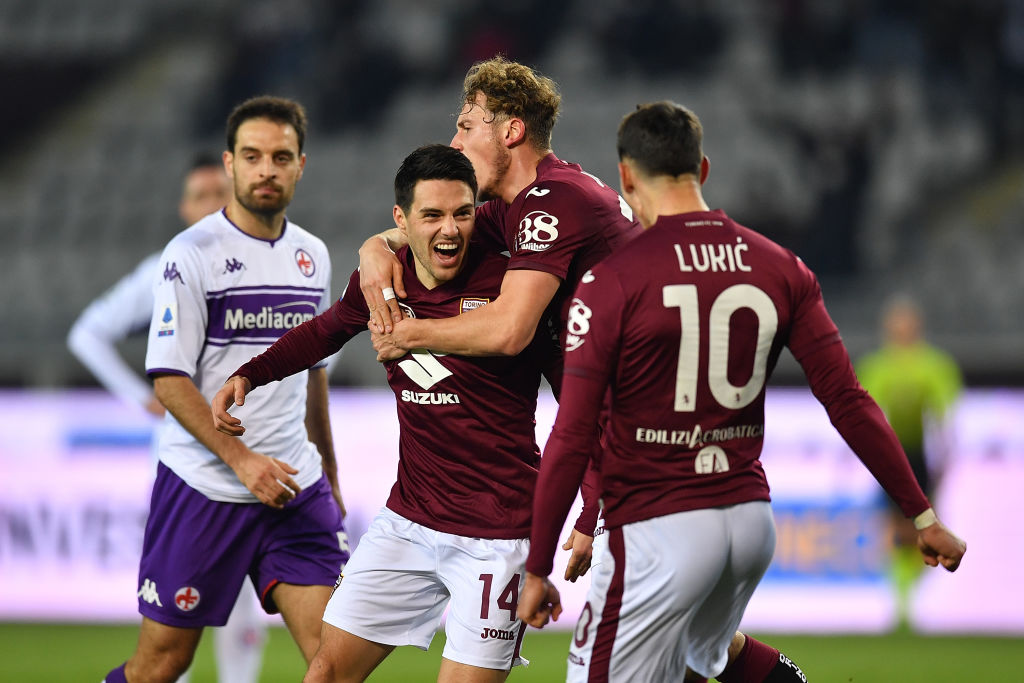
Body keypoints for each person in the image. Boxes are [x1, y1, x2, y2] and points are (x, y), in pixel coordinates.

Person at [359, 56, 805, 681]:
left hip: (644, 445)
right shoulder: (528, 206)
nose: (454, 142)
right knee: (688, 638)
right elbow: (426, 229)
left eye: (466, 125)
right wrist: (375, 247)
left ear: (510, 131)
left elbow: (510, 330)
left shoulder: (553, 203)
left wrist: (407, 334)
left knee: (626, 647)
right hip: (651, 436)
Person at [516, 101, 967, 683]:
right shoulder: (781, 267)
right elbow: (848, 401)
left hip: (659, 525)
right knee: (707, 655)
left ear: (625, 177)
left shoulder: (611, 282)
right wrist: (922, 515)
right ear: (702, 169)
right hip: (748, 523)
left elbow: (574, 432)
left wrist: (537, 565)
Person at [212, 144, 549, 682]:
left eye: (462, 213)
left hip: (498, 534)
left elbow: (576, 391)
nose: (450, 230)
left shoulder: (512, 286)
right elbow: (323, 332)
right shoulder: (381, 282)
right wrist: (250, 373)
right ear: (401, 220)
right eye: (432, 215)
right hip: (408, 523)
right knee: (325, 673)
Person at [102, 95, 348, 683]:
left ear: (300, 165)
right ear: (230, 164)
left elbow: (313, 374)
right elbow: (168, 380)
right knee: (162, 664)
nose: (267, 169)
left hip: (293, 488)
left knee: (336, 661)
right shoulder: (191, 254)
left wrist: (330, 473)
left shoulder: (312, 256)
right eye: (253, 156)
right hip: (205, 486)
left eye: (281, 157)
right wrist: (241, 461)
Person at [70, 153, 269, 683]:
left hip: (250, 450)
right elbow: (87, 333)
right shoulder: (166, 267)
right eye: (200, 196)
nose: (211, 204)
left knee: (242, 598)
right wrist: (142, 397)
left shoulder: (269, 265)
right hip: (184, 460)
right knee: (175, 605)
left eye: (219, 193)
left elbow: (318, 347)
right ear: (184, 208)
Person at [856, 295, 963, 623]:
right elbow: (868, 414)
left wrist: (944, 457)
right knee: (895, 529)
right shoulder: (877, 366)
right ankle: (901, 596)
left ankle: (908, 593)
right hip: (890, 457)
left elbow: (945, 417)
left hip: (919, 456)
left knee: (924, 528)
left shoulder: (934, 365)